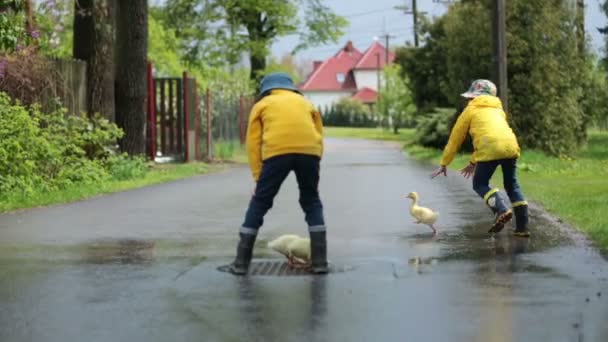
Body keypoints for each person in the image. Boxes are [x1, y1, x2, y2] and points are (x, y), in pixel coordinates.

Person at [228, 72, 328, 275]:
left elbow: (253, 144)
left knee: (260, 202)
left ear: (266, 90)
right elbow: (319, 134)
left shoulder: (262, 105)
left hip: (276, 153)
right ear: (291, 88)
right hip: (309, 152)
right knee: (311, 200)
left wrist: (258, 177)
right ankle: (320, 262)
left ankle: (241, 263)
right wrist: (315, 163)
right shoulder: (305, 103)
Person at [431, 79, 530, 237]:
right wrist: (472, 162)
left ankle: (501, 209)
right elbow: (494, 136)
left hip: (489, 148)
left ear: (473, 97)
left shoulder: (470, 110)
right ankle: (522, 228)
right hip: (511, 147)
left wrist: (444, 163)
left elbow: (455, 139)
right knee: (512, 186)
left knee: (480, 184)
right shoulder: (498, 109)